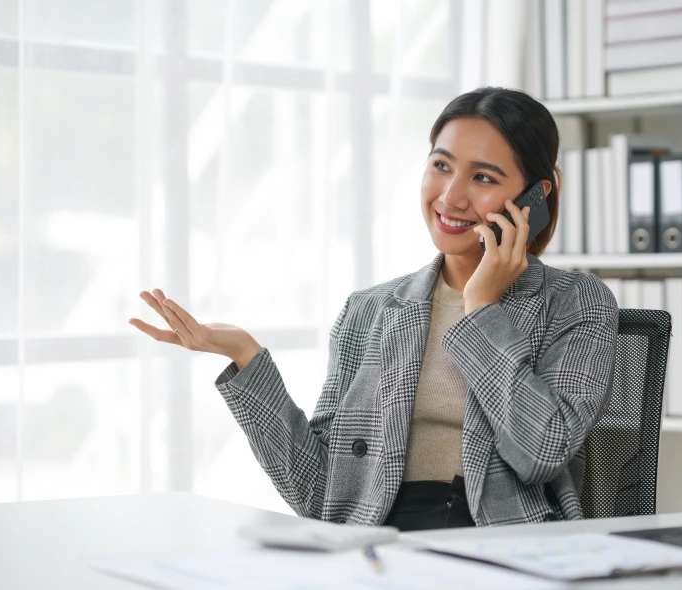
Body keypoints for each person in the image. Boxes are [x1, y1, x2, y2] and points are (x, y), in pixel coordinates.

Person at [129, 87, 619, 531]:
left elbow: (542, 452)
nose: (451, 196)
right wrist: (244, 357)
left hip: (500, 547)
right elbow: (320, 494)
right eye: (442, 165)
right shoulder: (370, 310)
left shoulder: (575, 303)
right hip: (376, 549)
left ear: (535, 197)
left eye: (483, 177)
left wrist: (482, 308)